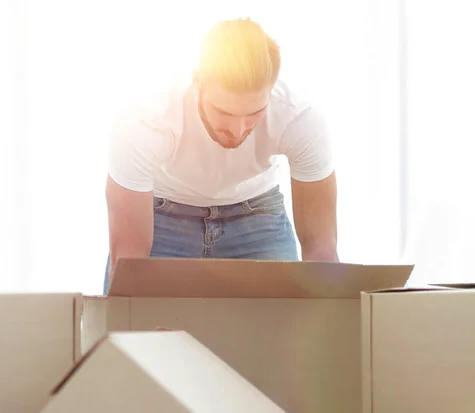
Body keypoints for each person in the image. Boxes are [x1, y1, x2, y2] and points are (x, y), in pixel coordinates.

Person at [104, 18, 338, 294]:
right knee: (133, 324)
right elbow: (128, 260)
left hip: (257, 217)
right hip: (163, 216)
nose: (238, 130)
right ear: (198, 82)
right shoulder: (145, 122)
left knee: (284, 327)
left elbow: (322, 252)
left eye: (253, 114)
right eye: (224, 112)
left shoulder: (300, 120)